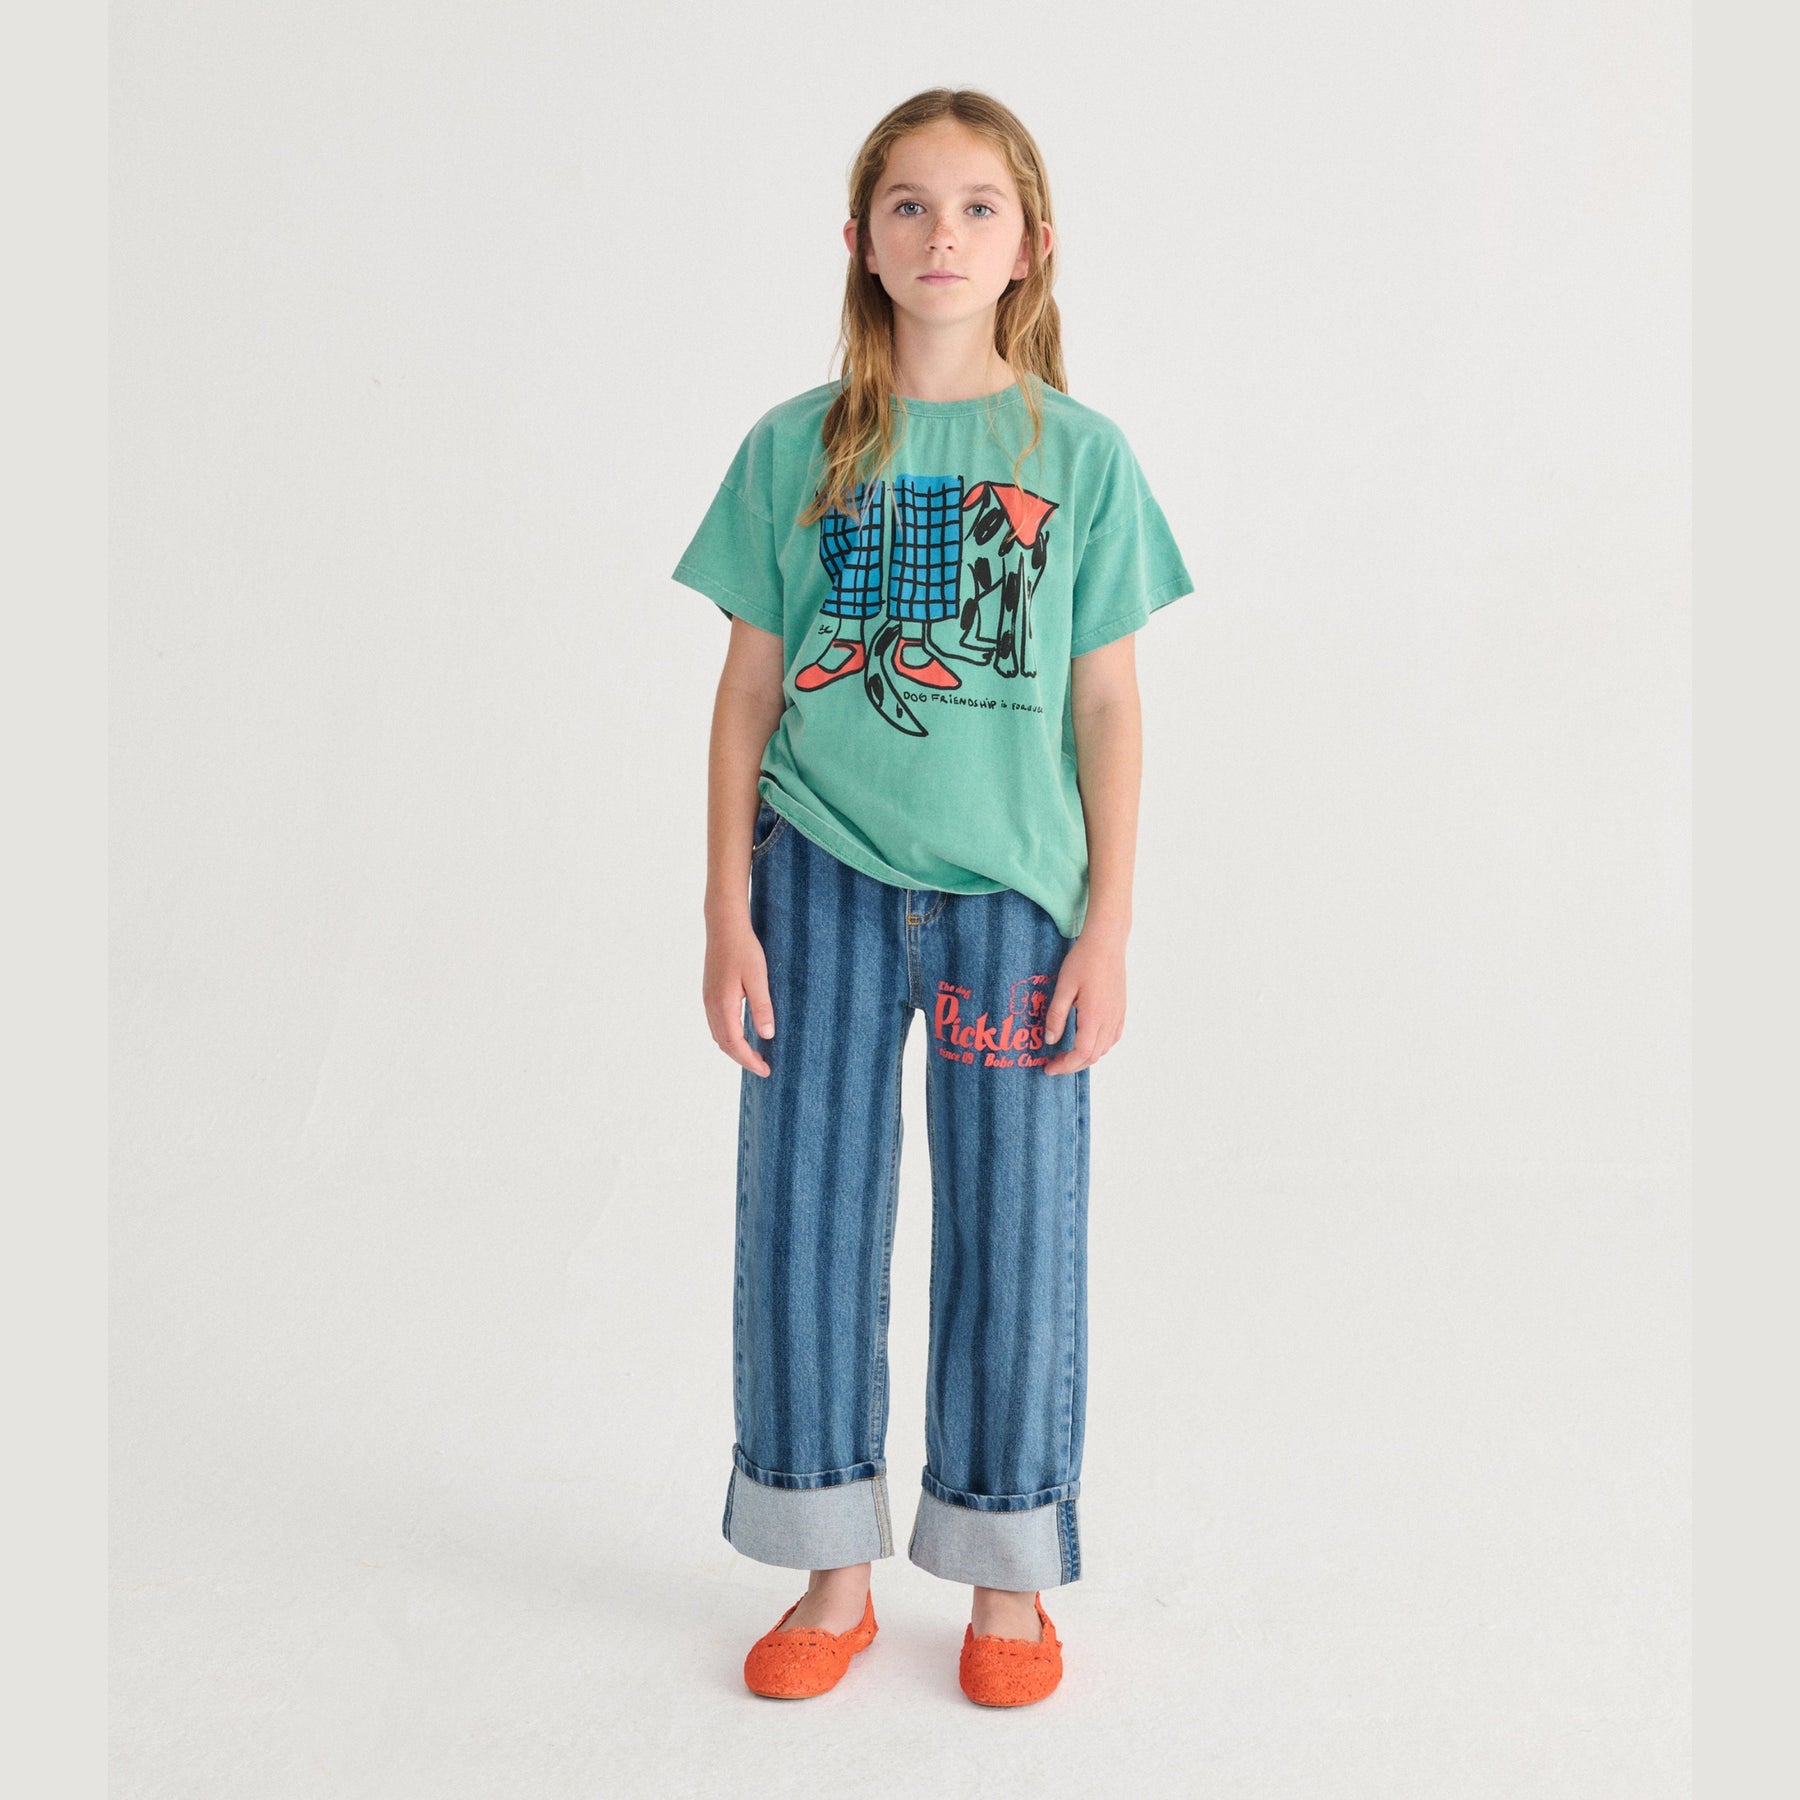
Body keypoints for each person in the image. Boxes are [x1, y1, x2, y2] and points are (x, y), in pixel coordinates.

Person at [670, 87, 1194, 1706]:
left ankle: (1004, 1574)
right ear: (860, 239)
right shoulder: (794, 448)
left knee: (1015, 1226)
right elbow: (746, 693)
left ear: (1031, 246)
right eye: (908, 204)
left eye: (977, 207)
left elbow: (1105, 704)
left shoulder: (1081, 458)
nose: (942, 233)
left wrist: (1108, 924)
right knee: (807, 1216)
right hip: (817, 880)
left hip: (1012, 901)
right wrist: (725, 908)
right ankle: (829, 1564)